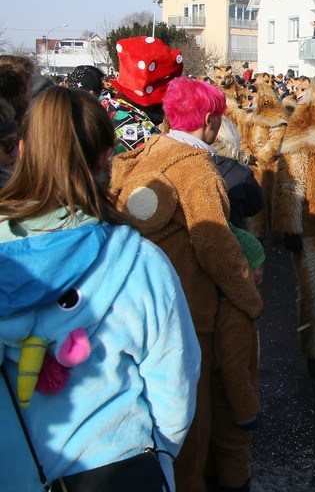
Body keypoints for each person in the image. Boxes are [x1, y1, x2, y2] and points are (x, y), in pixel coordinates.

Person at [0, 86, 200, 492]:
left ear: (21, 150)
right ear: (106, 159)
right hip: (118, 465)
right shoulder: (141, 261)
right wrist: (157, 455)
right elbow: (174, 383)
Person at [110, 78, 262, 492]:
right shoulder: (194, 165)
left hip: (141, 299)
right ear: (211, 121)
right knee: (195, 415)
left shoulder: (150, 151)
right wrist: (247, 296)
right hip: (189, 306)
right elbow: (213, 240)